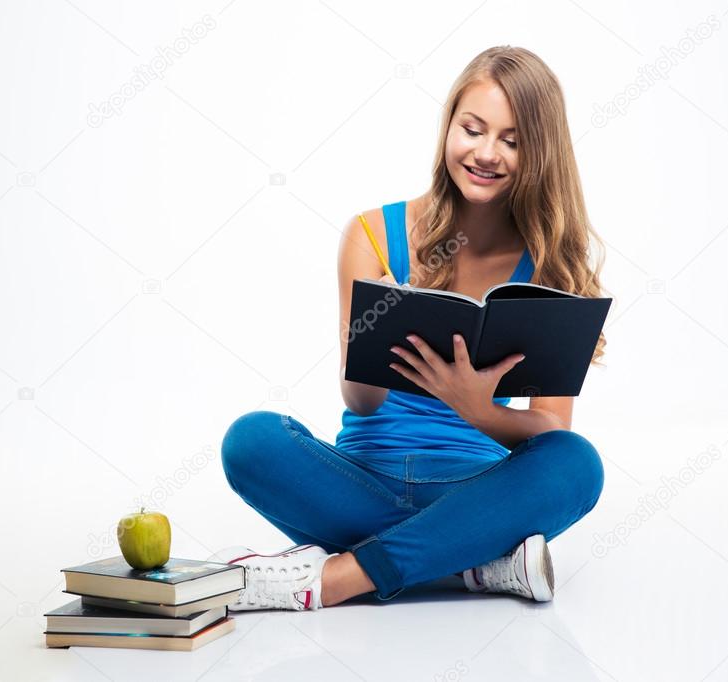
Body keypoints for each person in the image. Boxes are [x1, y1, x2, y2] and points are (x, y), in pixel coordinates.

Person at [209, 45, 608, 611]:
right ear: (449, 127)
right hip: (359, 480)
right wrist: (374, 343)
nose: (486, 153)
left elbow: (553, 431)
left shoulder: (550, 266)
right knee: (251, 440)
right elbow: (361, 401)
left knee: (578, 464)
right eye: (472, 129)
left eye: (512, 141)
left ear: (540, 153)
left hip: (477, 492)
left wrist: (479, 409)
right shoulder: (371, 234)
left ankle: (340, 576)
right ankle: (474, 560)